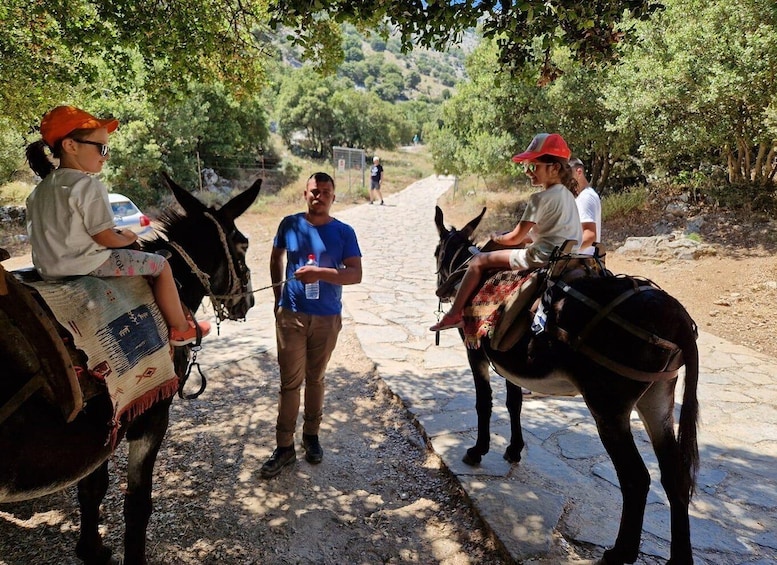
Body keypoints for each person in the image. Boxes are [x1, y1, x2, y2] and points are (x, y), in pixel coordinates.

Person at [25, 105, 210, 346]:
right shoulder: (87, 186)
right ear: (71, 146)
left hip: (48, 270)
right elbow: (105, 237)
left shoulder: (39, 191)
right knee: (161, 265)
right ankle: (180, 328)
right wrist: (128, 237)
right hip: (86, 266)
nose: (106, 155)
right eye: (102, 148)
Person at [262, 172, 363, 478]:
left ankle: (311, 437)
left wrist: (321, 273)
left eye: (325, 192)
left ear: (333, 197)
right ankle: (284, 447)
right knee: (289, 384)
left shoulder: (344, 232)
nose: (319, 196)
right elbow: (275, 257)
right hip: (291, 315)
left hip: (327, 317)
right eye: (314, 191)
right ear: (305, 194)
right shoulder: (289, 224)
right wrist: (279, 297)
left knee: (316, 379)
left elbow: (355, 274)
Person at [430, 133, 582, 331]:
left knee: (478, 262)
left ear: (553, 168)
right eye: (526, 167)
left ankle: (453, 314)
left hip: (541, 256)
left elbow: (515, 237)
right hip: (567, 255)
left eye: (533, 166)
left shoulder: (539, 199)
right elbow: (554, 231)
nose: (528, 172)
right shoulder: (569, 196)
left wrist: (497, 237)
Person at [569, 157, 602, 255]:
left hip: (581, 262)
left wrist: (567, 251)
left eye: (567, 175)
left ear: (579, 172)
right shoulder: (584, 196)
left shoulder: (586, 198)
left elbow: (590, 235)